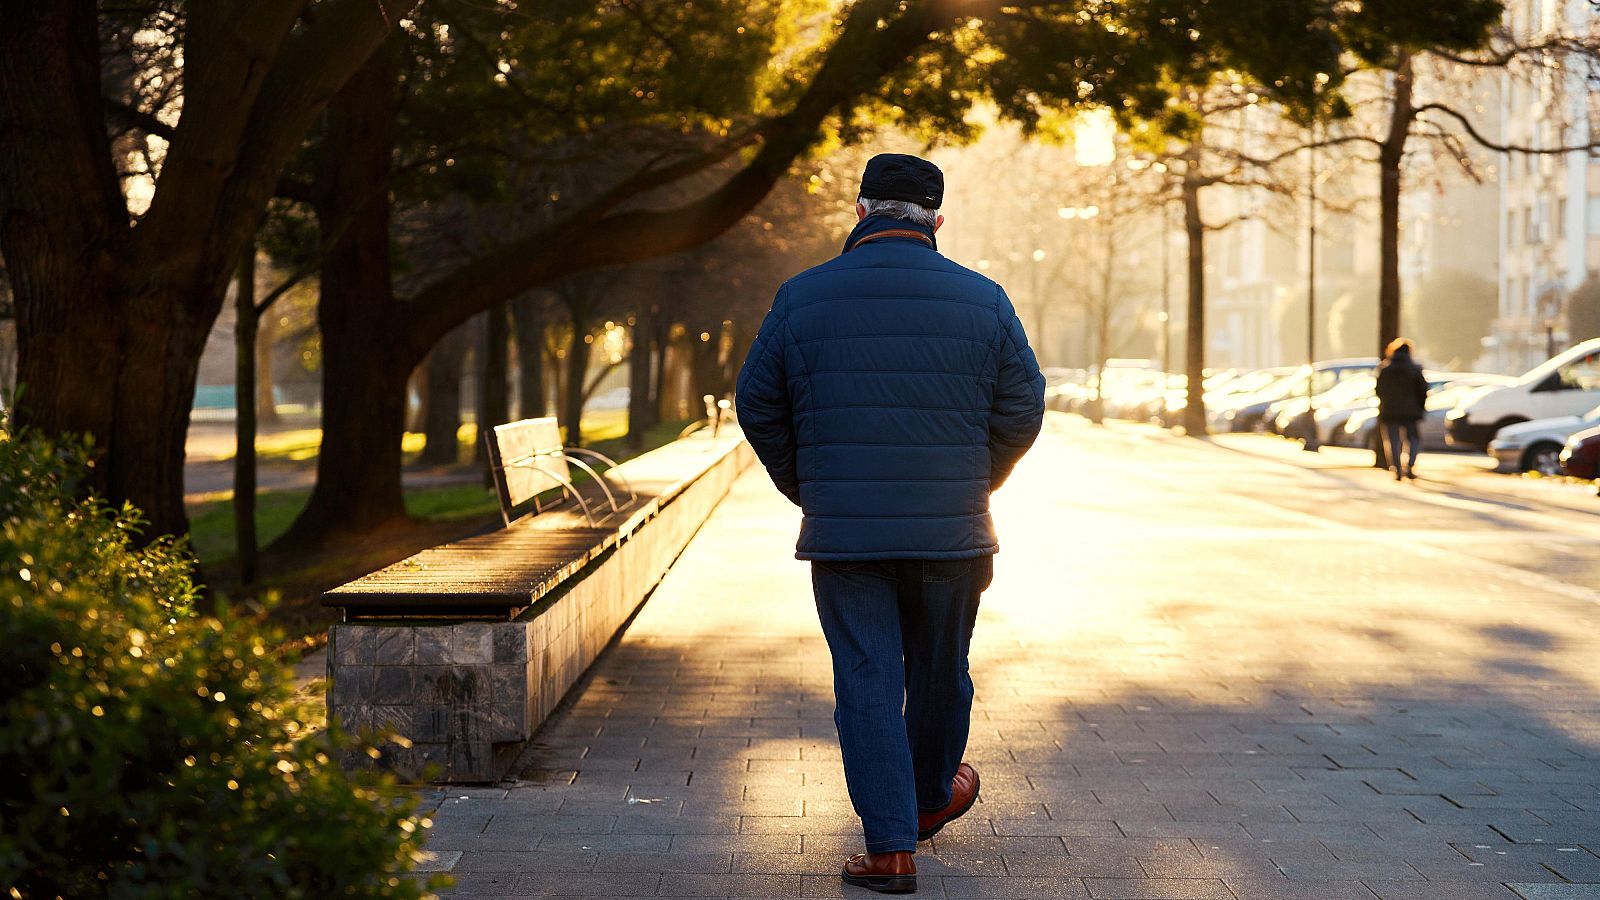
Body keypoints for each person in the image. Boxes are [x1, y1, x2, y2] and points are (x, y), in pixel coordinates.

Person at [735, 153, 1046, 895]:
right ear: (937, 220)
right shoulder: (984, 299)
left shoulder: (802, 297)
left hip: (848, 538)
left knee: (868, 680)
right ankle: (933, 793)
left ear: (861, 211)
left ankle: (890, 849)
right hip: (953, 531)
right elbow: (1024, 409)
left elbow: (757, 405)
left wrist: (813, 487)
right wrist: (978, 480)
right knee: (942, 672)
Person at [1375, 337, 1428, 480]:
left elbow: (1379, 390)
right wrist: (1420, 407)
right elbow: (1423, 390)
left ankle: (1397, 469)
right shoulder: (1415, 369)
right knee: (1413, 439)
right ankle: (1410, 466)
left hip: (1390, 410)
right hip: (1411, 411)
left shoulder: (1385, 369)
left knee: (1393, 440)